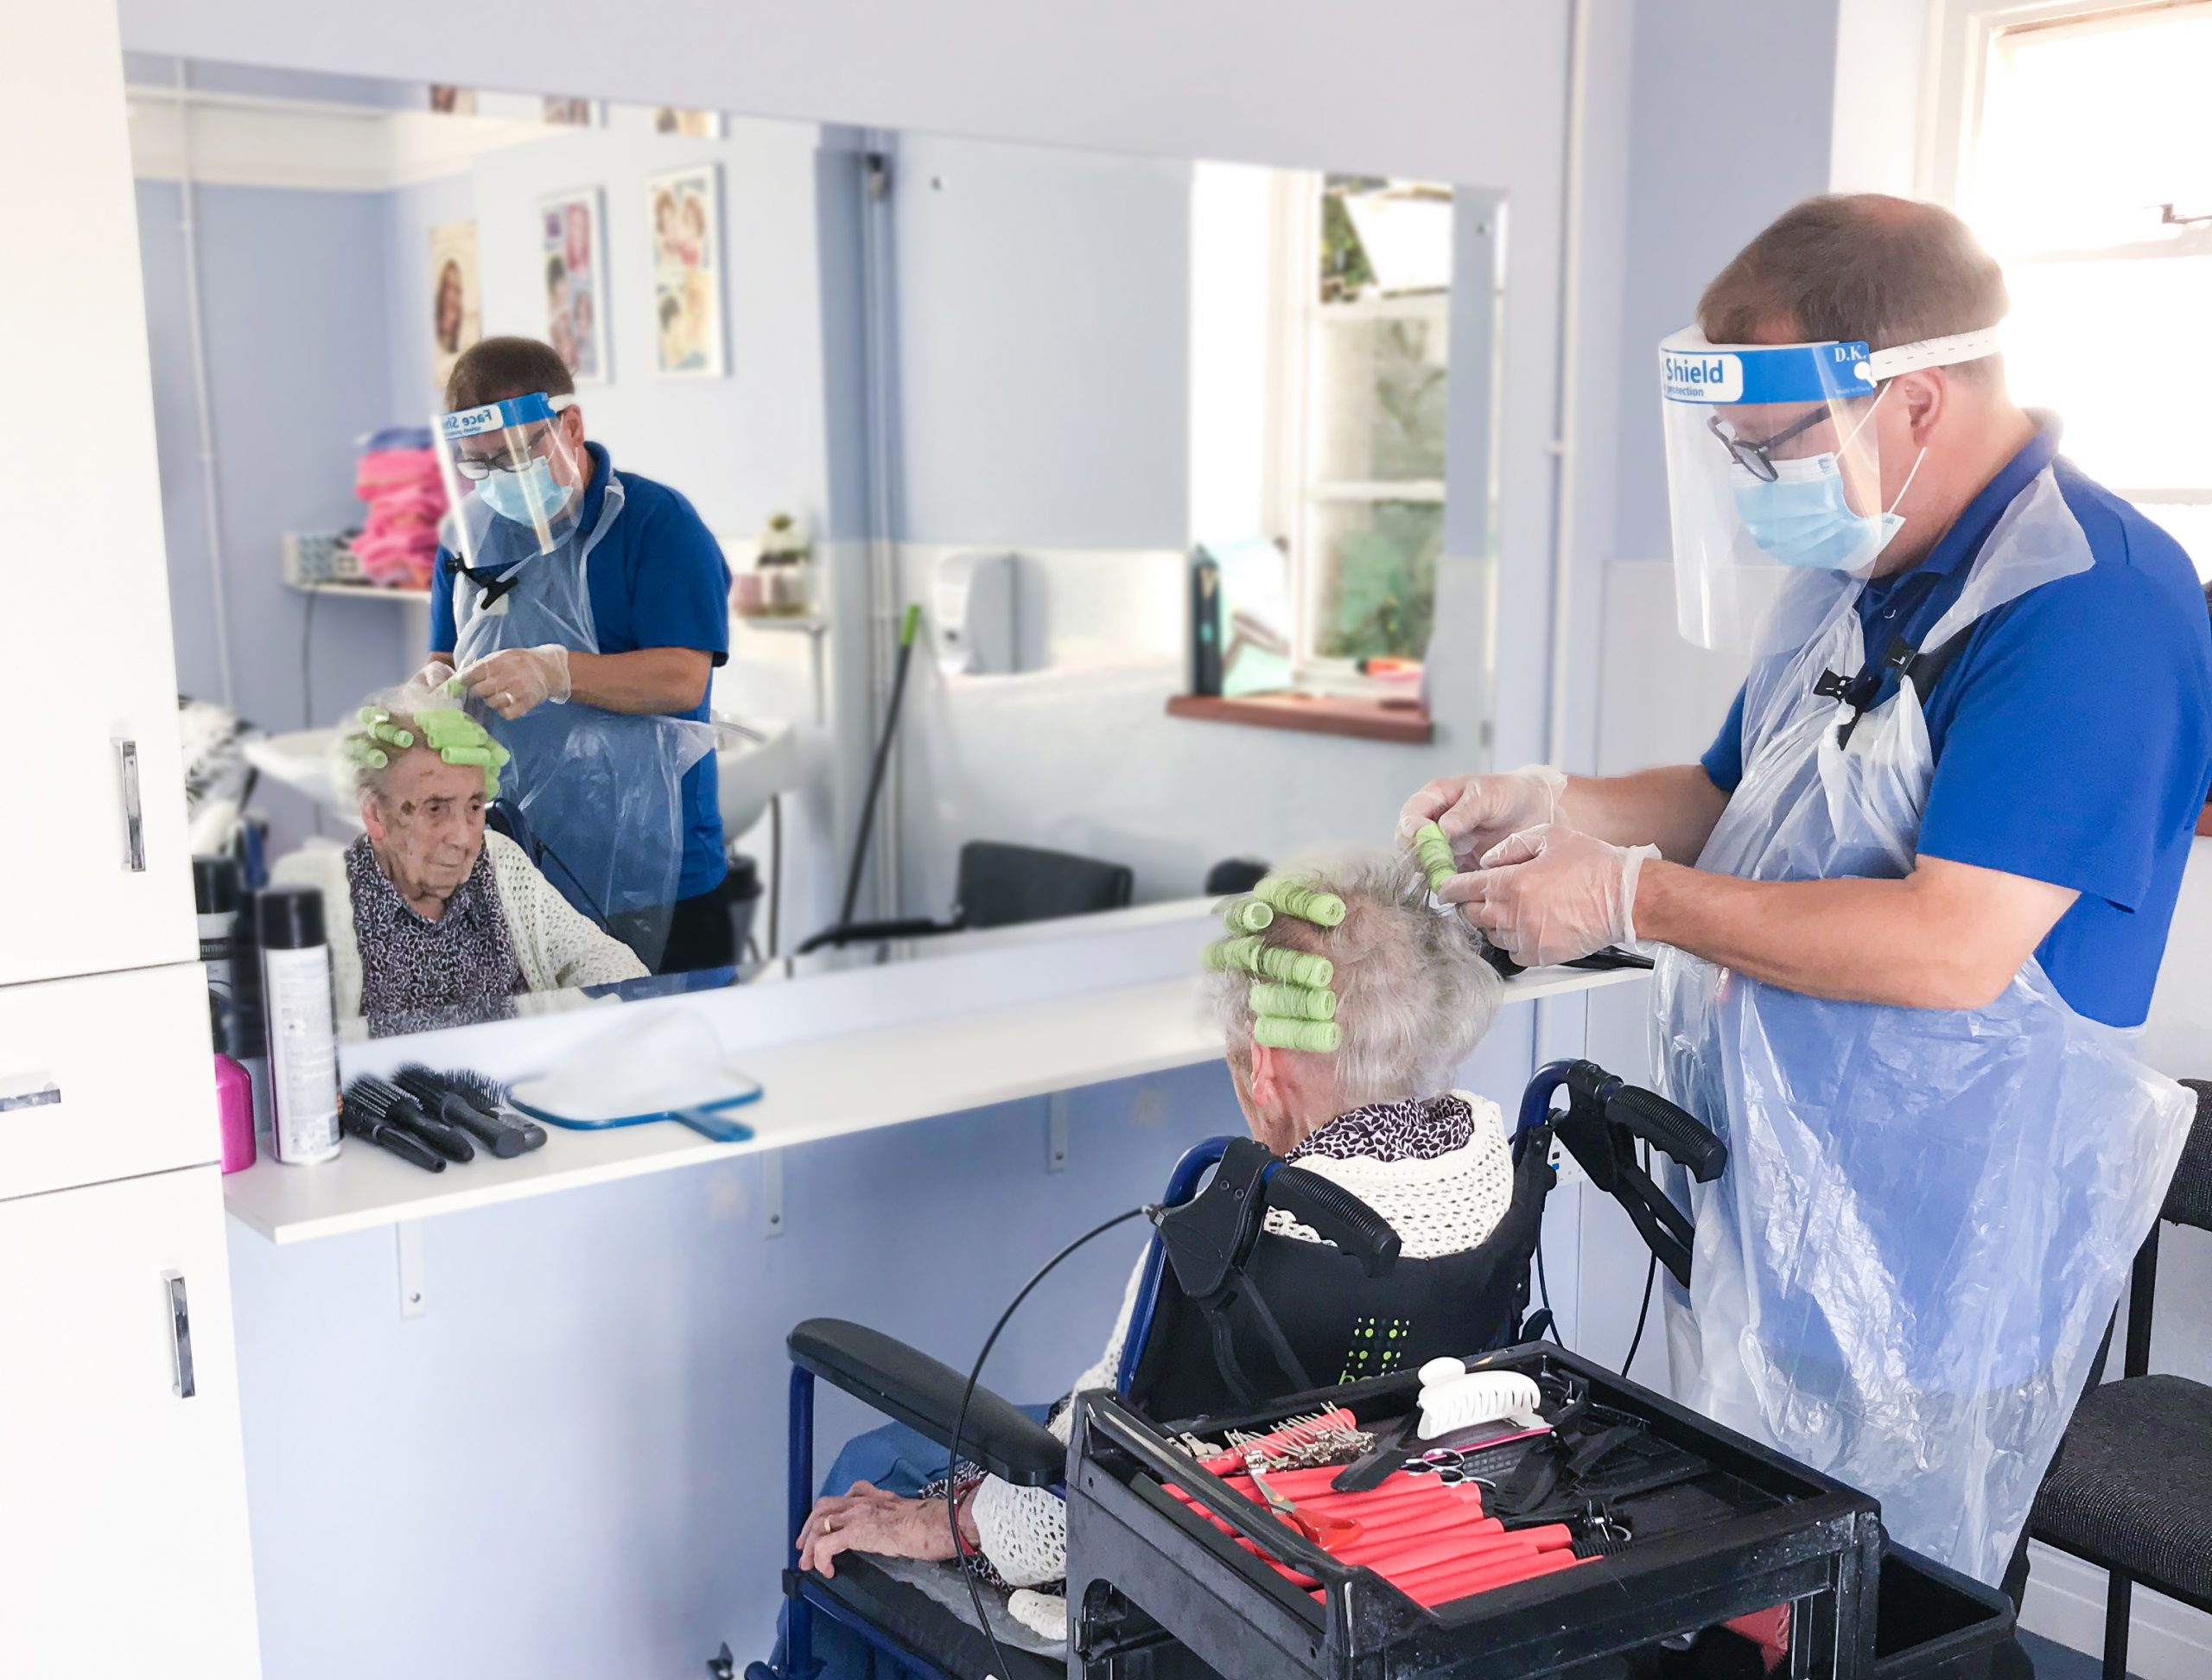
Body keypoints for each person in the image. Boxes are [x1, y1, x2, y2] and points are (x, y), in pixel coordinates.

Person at [1402, 195, 2211, 1601]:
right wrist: (1554, 800)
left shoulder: (2093, 605)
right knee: (1761, 1587)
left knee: (1890, 1603)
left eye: (1774, 443)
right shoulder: (1863, 567)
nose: (1755, 478)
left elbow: (1952, 944)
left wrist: (1630, 897)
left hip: (1949, 1248)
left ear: (1911, 401)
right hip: (1778, 1194)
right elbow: (1730, 798)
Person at [787, 845, 1515, 1664]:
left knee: (871, 1460)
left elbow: (1081, 1495)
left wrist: (937, 1522)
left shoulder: (1234, 1243)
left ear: (1266, 1066)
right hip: (1348, 1523)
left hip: (1181, 1556)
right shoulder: (1494, 1177)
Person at [424, 334, 735, 972]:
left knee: (672, 1054)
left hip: (653, 871)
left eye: (512, 459)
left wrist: (555, 670)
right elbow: (447, 654)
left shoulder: (656, 525)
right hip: (517, 866)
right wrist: (431, 686)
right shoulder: (469, 538)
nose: (496, 483)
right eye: (476, 467)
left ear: (569, 425)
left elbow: (682, 678)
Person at [270, 697, 645, 1026]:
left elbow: (598, 956)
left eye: (474, 807)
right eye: (435, 809)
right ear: (375, 815)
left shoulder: (498, 861)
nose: (463, 838)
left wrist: (584, 1015)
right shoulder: (327, 903)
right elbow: (302, 1045)